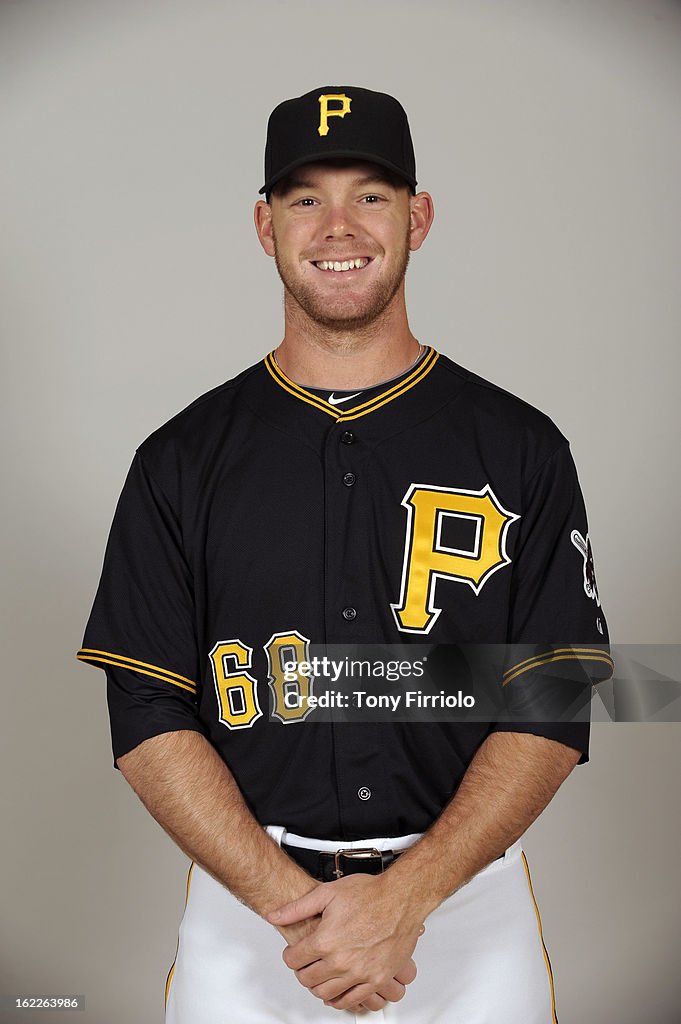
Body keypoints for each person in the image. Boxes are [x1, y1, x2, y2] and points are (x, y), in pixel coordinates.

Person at [77, 85, 613, 1023]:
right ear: (263, 223)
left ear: (419, 215)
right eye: (303, 198)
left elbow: (555, 695)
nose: (337, 226)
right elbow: (146, 712)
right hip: (250, 917)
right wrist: (301, 913)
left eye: (369, 194)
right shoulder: (178, 460)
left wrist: (403, 900)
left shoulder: (522, 446)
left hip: (465, 906)